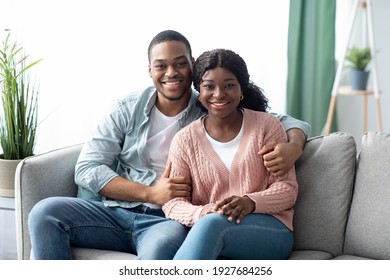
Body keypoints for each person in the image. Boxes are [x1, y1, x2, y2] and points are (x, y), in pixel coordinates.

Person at [28, 30, 310, 260]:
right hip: (114, 211)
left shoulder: (211, 105)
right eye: (161, 65)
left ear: (192, 67)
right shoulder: (127, 109)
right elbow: (87, 169)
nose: (171, 72)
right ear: (150, 70)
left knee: (159, 252)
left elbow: (277, 120)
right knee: (45, 212)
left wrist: (294, 145)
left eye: (180, 63)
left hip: (164, 221)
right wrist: (150, 193)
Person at [162, 48, 298, 260]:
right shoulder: (184, 140)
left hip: (270, 230)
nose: (218, 94)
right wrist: (201, 213)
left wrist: (250, 202)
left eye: (229, 86)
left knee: (212, 225)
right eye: (209, 86)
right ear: (198, 89)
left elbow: (287, 190)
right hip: (210, 228)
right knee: (207, 225)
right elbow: (172, 203)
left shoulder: (266, 126)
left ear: (241, 88)